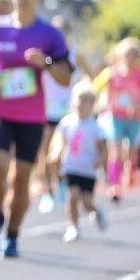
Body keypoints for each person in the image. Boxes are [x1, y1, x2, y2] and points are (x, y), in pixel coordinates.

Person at [0, 0, 72, 259]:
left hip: (31, 116)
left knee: (21, 179)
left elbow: (66, 77)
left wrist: (47, 63)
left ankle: (13, 234)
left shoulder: (49, 34)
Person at [36, 15, 91, 213]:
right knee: (45, 152)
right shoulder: (44, 52)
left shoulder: (75, 53)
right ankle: (47, 191)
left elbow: (89, 75)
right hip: (47, 109)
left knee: (64, 152)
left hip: (69, 109)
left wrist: (85, 94)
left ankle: (62, 183)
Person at [91, 37, 140, 203]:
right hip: (115, 116)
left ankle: (130, 170)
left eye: (134, 55)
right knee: (115, 151)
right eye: (128, 54)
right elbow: (94, 87)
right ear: (120, 55)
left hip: (134, 117)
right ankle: (115, 184)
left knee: (131, 152)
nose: (131, 58)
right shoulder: (111, 73)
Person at [47, 82, 108, 243]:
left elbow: (103, 149)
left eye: (85, 100)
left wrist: (100, 161)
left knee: (87, 202)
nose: (81, 104)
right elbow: (59, 140)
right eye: (79, 99)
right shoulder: (67, 122)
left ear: (92, 104)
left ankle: (95, 211)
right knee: (72, 196)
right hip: (71, 166)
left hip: (88, 169)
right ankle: (73, 226)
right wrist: (56, 154)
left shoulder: (96, 126)